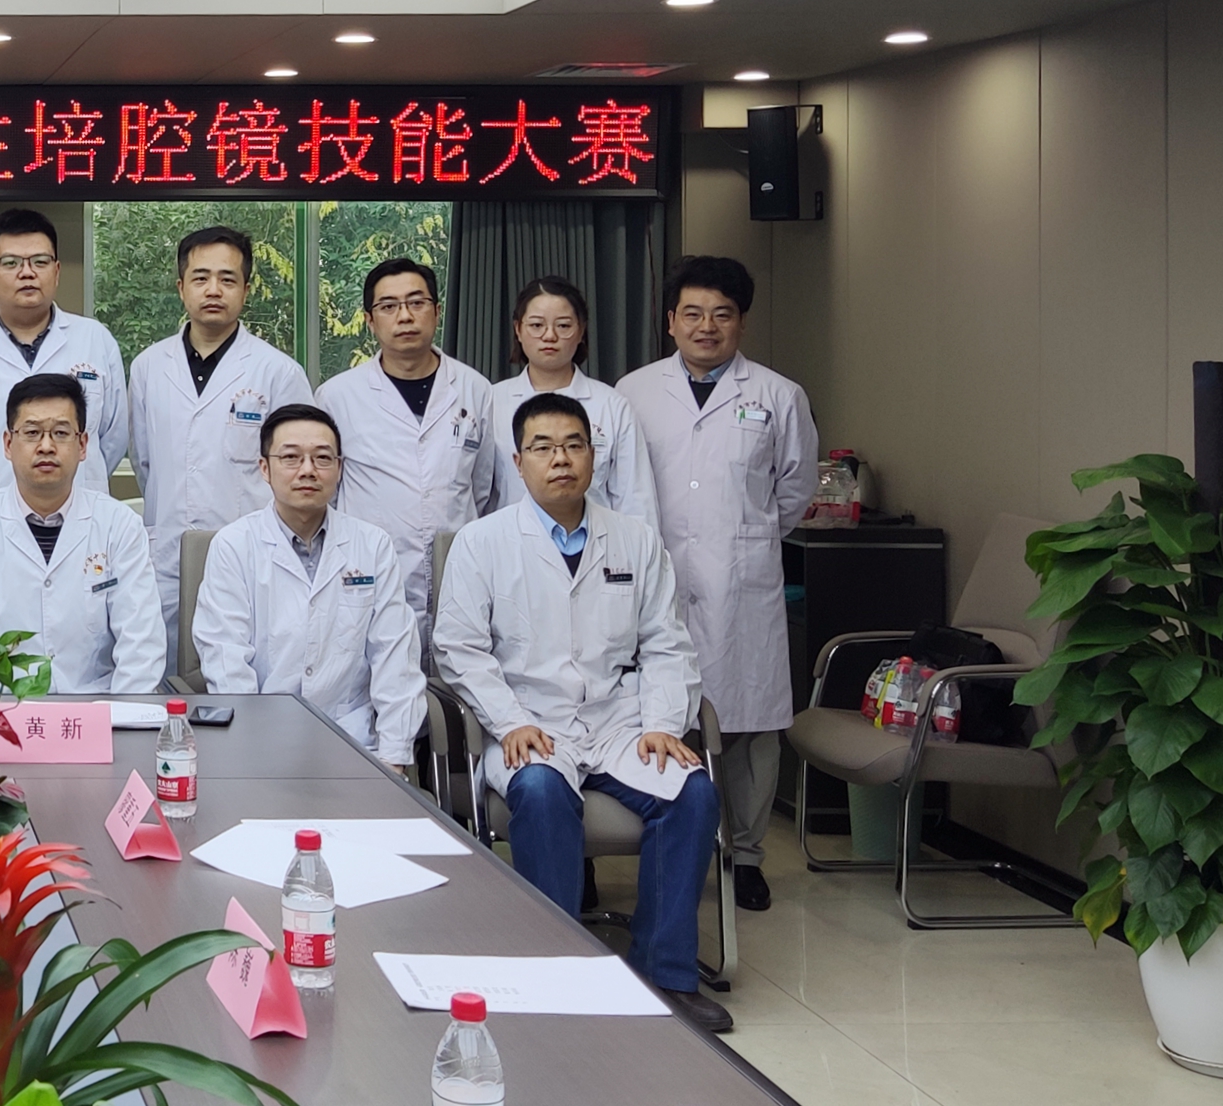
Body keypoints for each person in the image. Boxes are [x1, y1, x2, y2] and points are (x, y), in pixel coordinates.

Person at [429, 393, 730, 1033]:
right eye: (542, 447)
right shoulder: (481, 543)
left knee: (694, 792)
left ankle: (665, 975)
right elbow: (457, 647)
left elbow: (667, 642)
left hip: (620, 721)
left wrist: (662, 724)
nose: (560, 459)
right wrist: (509, 721)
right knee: (539, 790)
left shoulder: (635, 539)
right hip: (528, 720)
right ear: (518, 462)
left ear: (594, 456)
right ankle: (556, 973)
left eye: (573, 445)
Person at [617, 255, 817, 914]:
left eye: (722, 315)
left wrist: (741, 536)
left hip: (741, 583)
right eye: (693, 313)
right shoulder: (633, 392)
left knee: (750, 729)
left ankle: (747, 855)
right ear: (670, 321)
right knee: (657, 715)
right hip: (657, 577)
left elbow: (793, 491)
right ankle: (672, 843)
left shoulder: (778, 396)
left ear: (741, 322)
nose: (707, 326)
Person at [190, 403, 422, 768]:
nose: (308, 470)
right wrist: (251, 755)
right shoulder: (233, 545)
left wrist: (393, 756)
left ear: (339, 468)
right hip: (261, 743)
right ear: (264, 468)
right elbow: (226, 661)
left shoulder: (372, 546)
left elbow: (395, 658)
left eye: (322, 458)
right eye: (291, 457)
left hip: (353, 741)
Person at [126, 225, 313, 672]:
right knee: (168, 676)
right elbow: (144, 459)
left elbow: (298, 469)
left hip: (252, 555)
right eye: (201, 277)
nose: (214, 290)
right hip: (168, 554)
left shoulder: (278, 372)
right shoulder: (148, 367)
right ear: (181, 287)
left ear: (246, 290)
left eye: (228, 279)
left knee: (246, 674)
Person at [0, 374, 162, 694]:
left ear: (82, 445)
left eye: (61, 433)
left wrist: (120, 717)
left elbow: (141, 647)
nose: (47, 446)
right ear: (8, 444)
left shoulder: (119, 526)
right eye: (32, 432)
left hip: (96, 709)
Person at [312, 257, 493, 619]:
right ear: (369, 320)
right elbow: (326, 492)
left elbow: (484, 487)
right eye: (389, 306)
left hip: (459, 565)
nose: (405, 316)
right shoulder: (337, 396)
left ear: (437, 311)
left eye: (416, 302)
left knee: (457, 648)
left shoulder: (475, 389)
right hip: (367, 572)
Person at [0, 209, 128, 508]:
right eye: (11, 263)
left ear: (56, 271)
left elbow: (112, 438)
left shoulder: (96, 340)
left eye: (40, 261)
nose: (27, 273)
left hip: (80, 514)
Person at [484, 276, 657, 534]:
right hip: (510, 544)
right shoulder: (491, 402)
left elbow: (636, 500)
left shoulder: (612, 405)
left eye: (563, 325)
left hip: (597, 545)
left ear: (581, 331)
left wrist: (642, 550)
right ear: (518, 329)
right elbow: (479, 494)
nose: (550, 336)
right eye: (536, 325)